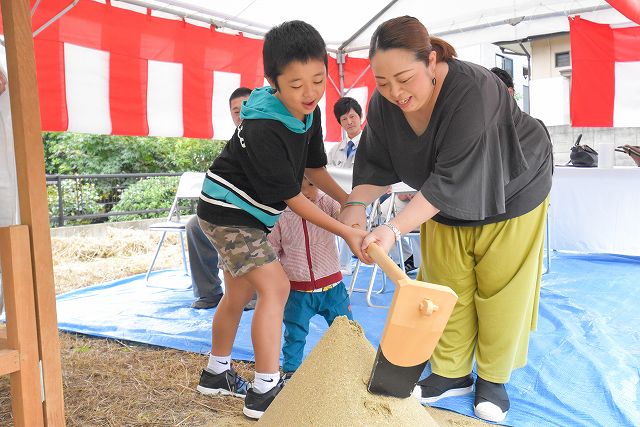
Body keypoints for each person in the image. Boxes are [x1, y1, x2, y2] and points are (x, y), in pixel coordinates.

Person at [340, 16, 552, 423]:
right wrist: (354, 209)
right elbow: (372, 166)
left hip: (513, 189)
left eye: (404, 78)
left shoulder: (473, 88)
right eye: (382, 82)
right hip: (440, 203)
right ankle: (451, 372)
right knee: (442, 285)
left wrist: (391, 227)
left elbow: (453, 177)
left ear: (431, 60)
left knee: (501, 288)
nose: (395, 93)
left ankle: (493, 378)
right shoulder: (384, 102)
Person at [194, 20, 365, 420]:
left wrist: (352, 204)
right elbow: (294, 197)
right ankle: (266, 389)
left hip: (244, 215)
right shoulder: (264, 126)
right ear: (273, 81)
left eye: (319, 80)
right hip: (228, 214)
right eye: (296, 84)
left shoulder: (311, 112)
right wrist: (345, 232)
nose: (310, 93)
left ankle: (216, 373)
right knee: (276, 287)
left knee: (237, 292)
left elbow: (317, 170)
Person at [268, 177, 353, 380]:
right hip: (298, 290)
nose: (306, 192)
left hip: (332, 287)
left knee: (346, 329)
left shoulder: (327, 203)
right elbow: (272, 247)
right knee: (294, 334)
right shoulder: (280, 213)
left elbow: (346, 217)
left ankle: (351, 365)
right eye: (299, 186)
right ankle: (291, 372)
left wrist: (350, 208)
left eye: (312, 185)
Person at [187, 87, 253, 310]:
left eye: (246, 106)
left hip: (262, 210)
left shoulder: (269, 134)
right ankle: (209, 292)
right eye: (236, 111)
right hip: (231, 207)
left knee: (237, 225)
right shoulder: (234, 142)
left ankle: (250, 291)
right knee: (195, 226)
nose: (242, 114)